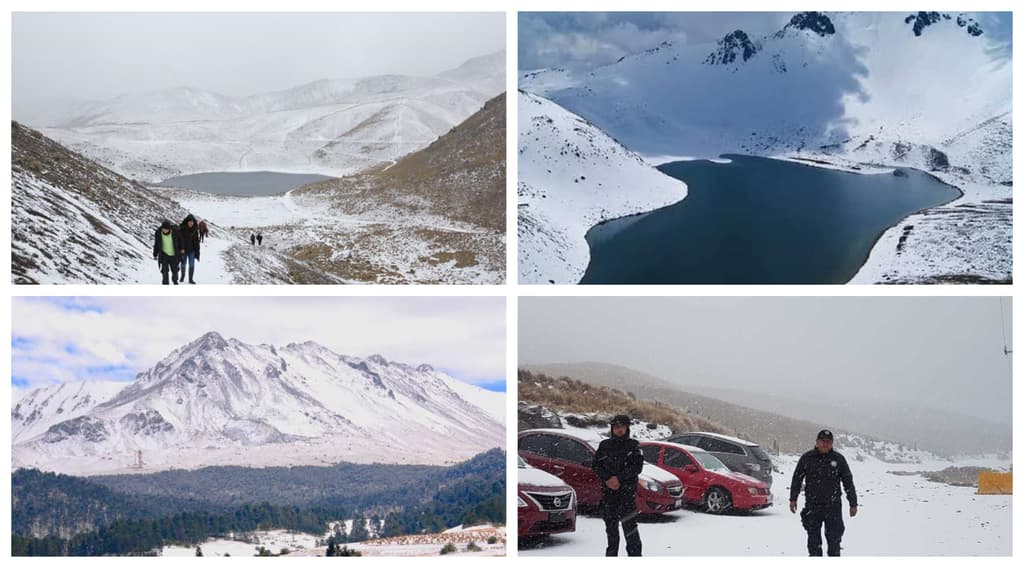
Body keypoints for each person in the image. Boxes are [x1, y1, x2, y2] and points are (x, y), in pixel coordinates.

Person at [789, 429, 858, 556]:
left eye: (828, 442)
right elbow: (797, 479)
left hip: (833, 507)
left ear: (832, 443)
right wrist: (793, 498)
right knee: (814, 544)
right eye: (822, 441)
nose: (825, 444)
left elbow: (848, 482)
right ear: (817, 442)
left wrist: (853, 503)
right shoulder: (807, 458)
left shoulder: (838, 459)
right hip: (812, 506)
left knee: (834, 543)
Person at [592, 414, 644, 557]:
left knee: (631, 530)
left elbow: (637, 467)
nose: (619, 430)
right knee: (611, 531)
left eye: (621, 427)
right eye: (616, 427)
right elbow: (596, 465)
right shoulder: (605, 445)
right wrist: (608, 479)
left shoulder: (633, 446)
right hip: (609, 495)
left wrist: (619, 478)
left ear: (627, 428)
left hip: (627, 495)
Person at [152, 219, 182, 285]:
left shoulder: (175, 232)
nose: (165, 230)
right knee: (164, 271)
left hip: (174, 255)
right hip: (164, 255)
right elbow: (157, 244)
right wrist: (155, 254)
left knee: (174, 271)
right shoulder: (158, 233)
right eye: (163, 229)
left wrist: (182, 249)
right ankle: (165, 283)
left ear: (169, 229)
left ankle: (175, 281)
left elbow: (180, 241)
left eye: (166, 229)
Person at [179, 214, 201, 284]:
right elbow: (180, 239)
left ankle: (190, 279)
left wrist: (197, 251)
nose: (191, 223)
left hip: (192, 251)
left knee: (191, 264)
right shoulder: (182, 229)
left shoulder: (195, 230)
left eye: (192, 222)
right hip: (184, 250)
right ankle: (182, 276)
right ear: (187, 222)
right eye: (190, 222)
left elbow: (197, 241)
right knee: (183, 264)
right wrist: (181, 248)